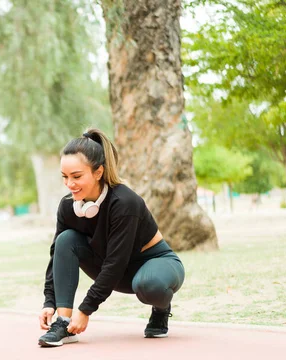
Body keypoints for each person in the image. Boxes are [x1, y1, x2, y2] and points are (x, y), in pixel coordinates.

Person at [38, 128, 185, 347]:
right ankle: (63, 323)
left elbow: (116, 262)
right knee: (65, 240)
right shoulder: (68, 206)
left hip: (155, 264)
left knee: (149, 285)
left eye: (76, 176)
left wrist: (86, 310)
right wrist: (49, 300)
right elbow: (56, 255)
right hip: (115, 269)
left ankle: (161, 309)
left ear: (98, 172)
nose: (69, 184)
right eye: (65, 177)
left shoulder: (125, 203)